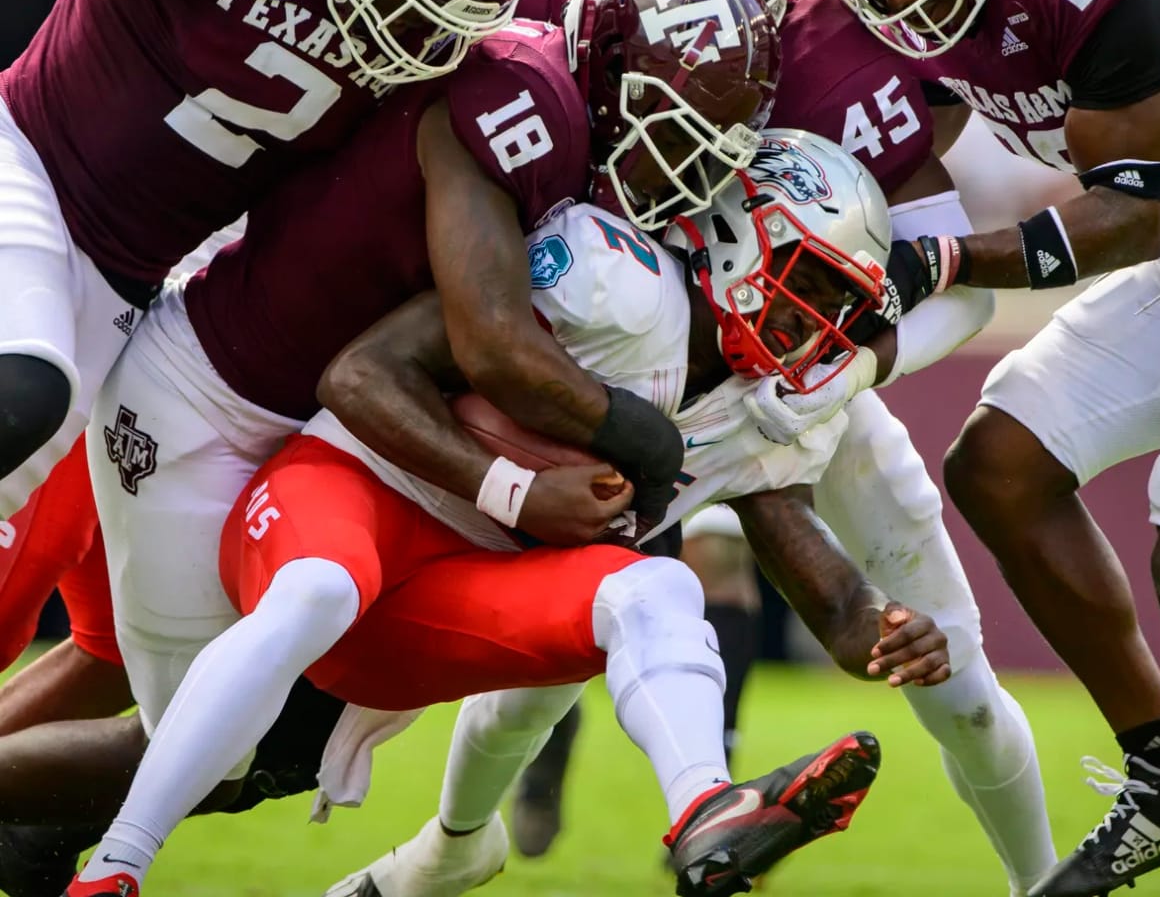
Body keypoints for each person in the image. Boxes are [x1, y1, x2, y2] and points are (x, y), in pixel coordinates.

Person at [2, 0, 772, 897]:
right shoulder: (525, 102)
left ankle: (42, 845)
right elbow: (487, 342)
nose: (683, 172)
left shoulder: (571, 135)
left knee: (197, 716)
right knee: (202, 742)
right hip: (200, 406)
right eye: (676, 134)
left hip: (299, 417)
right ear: (612, 75)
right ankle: (66, 845)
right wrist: (632, 440)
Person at [522, 0, 1057, 896]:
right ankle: (446, 851)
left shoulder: (852, 48)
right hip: (641, 372)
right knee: (526, 676)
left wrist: (838, 367)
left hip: (811, 384)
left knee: (953, 679)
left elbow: (945, 276)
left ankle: (1045, 880)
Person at [200, 131, 950, 897]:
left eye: (839, 304)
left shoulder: (777, 407)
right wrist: (511, 489)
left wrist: (886, 631)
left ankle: (604, 824)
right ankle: (436, 855)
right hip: (380, 538)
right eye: (812, 282)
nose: (815, 320)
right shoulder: (609, 277)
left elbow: (829, 594)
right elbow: (375, 369)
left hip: (509, 593)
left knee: (625, 611)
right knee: (204, 767)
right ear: (736, 231)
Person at [803, 0, 1160, 894]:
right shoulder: (896, 7)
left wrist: (939, 261)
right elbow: (890, 147)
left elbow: (1130, 212)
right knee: (1001, 463)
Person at [0, 0, 544, 522]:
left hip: (126, 278)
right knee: (24, 389)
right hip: (29, 158)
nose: (419, 45)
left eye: (445, 25)